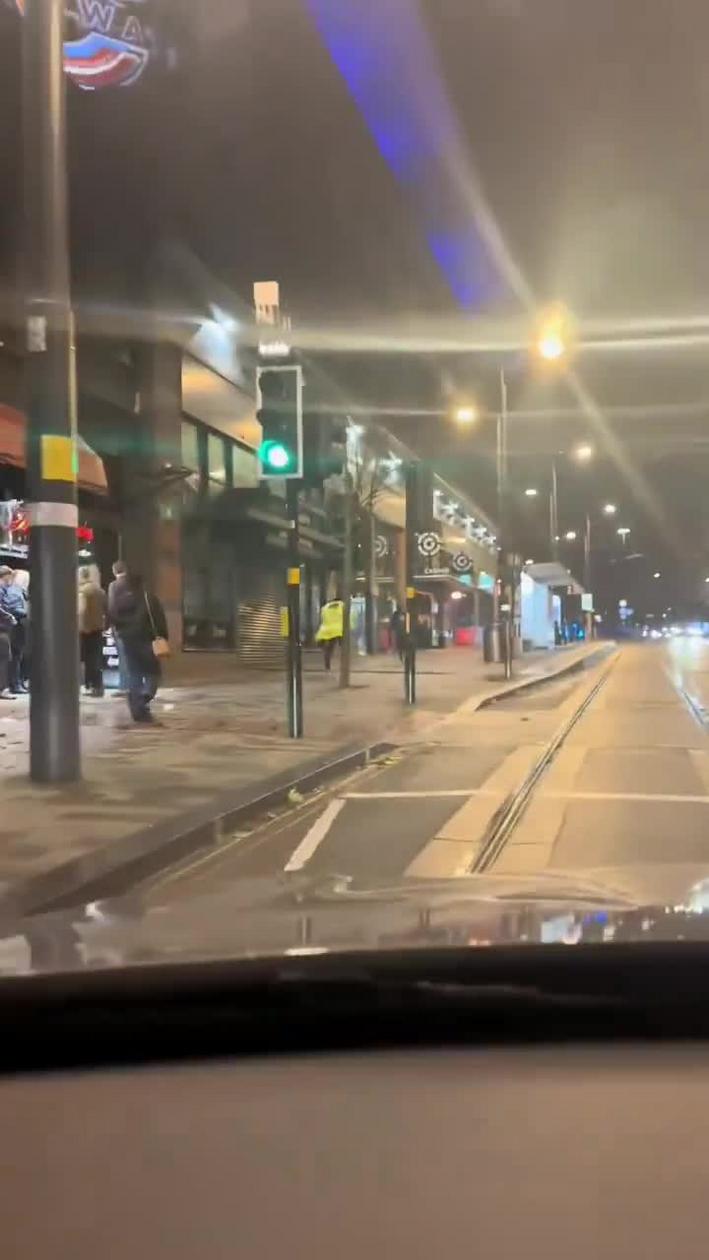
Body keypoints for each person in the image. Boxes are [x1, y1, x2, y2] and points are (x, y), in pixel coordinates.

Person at [111, 571, 168, 723]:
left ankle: (137, 708)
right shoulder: (149, 598)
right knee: (153, 674)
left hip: (128, 642)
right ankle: (144, 698)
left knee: (134, 674)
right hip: (147, 641)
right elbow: (159, 619)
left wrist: (122, 633)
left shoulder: (120, 600)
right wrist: (163, 637)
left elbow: (114, 618)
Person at [78, 566, 106, 697]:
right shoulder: (99, 591)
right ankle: (98, 686)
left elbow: (82, 610)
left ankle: (90, 685)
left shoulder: (82, 591)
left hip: (85, 629)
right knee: (96, 658)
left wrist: (81, 626)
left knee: (87, 660)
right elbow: (106, 609)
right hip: (98, 628)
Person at [0, 566, 27, 694]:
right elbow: (8, 607)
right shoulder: (8, 589)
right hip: (7, 626)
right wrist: (10, 617)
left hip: (8, 626)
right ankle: (7, 687)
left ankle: (10, 685)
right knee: (8, 657)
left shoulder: (8, 589)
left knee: (10, 656)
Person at [107, 559, 129, 694]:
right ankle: (135, 685)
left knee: (123, 657)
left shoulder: (114, 586)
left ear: (114, 571)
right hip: (136, 626)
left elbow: (112, 607)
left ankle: (124, 686)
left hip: (121, 627)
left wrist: (111, 625)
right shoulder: (134, 584)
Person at [315, 599, 344, 671]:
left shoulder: (325, 607)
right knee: (334, 647)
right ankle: (339, 662)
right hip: (337, 630)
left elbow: (322, 618)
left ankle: (327, 663)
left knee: (326, 648)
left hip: (325, 630)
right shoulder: (342, 606)